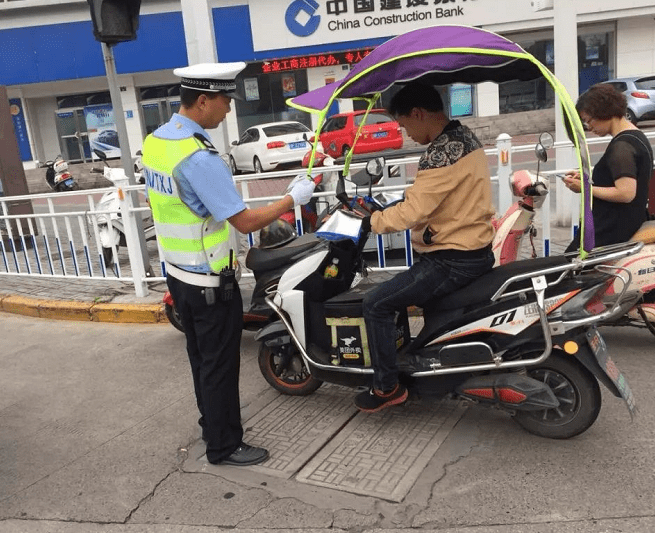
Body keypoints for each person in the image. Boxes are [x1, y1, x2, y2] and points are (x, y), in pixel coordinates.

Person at [141, 62, 316, 466]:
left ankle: (213, 427)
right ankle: (225, 445)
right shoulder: (199, 158)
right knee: (219, 366)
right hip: (208, 281)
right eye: (224, 100)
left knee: (201, 360)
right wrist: (293, 199)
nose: (227, 109)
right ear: (202, 101)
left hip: (179, 275)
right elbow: (245, 220)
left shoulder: (156, 142)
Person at [355, 82, 496, 413]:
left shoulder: (439, 153)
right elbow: (432, 198)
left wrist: (373, 222)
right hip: (474, 249)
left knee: (376, 303)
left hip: (450, 259)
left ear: (417, 114)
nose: (404, 133)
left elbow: (413, 213)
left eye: (404, 124)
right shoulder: (464, 138)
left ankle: (387, 387)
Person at [563, 83, 653, 252]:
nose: (589, 127)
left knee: (563, 270)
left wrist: (585, 187)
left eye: (589, 120)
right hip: (628, 222)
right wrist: (587, 180)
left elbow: (626, 193)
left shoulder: (622, 147)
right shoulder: (636, 137)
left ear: (603, 112)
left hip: (612, 230)